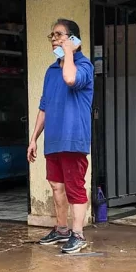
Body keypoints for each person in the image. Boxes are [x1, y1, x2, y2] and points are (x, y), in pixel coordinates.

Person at [27, 19, 95, 254]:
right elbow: (44, 106)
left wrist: (69, 52)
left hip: (73, 138)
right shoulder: (51, 70)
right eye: (52, 36)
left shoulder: (84, 66)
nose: (54, 39)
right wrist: (34, 138)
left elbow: (70, 79)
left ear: (74, 39)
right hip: (54, 139)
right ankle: (62, 229)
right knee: (56, 186)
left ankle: (78, 234)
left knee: (74, 187)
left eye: (59, 35)